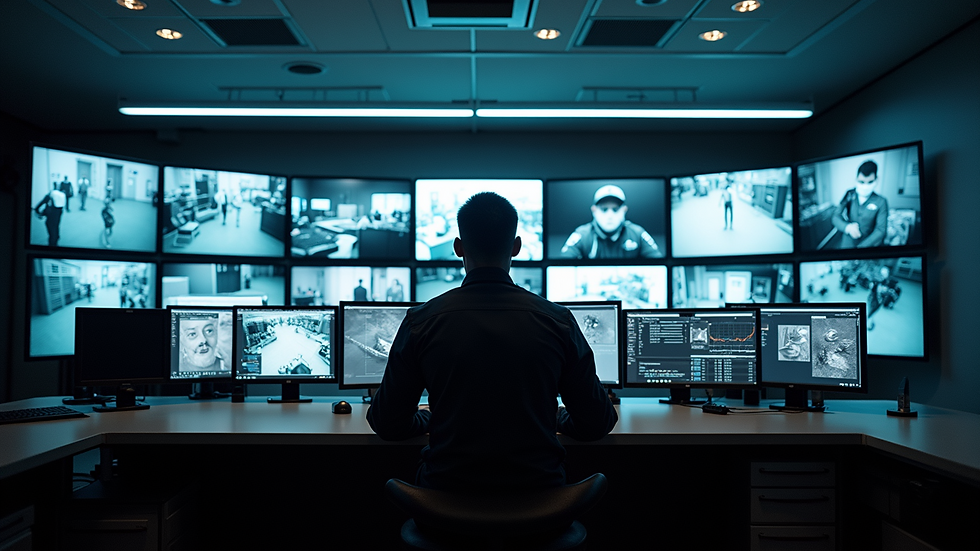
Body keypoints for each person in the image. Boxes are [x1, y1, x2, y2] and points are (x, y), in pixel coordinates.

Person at [367, 192, 618, 493]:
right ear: (516, 247)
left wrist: (429, 419)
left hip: (445, 502)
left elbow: (387, 424)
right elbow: (597, 423)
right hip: (541, 502)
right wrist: (554, 416)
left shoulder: (422, 321)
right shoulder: (557, 320)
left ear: (458, 247)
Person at [560, 184, 661, 259]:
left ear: (624, 210)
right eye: (604, 209)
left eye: (615, 209)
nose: (610, 215)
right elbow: (562, 267)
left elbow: (659, 265)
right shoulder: (581, 235)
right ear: (594, 211)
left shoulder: (637, 233)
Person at [832, 160, 889, 248]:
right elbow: (835, 216)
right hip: (848, 241)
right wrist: (847, 227)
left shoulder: (881, 201)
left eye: (870, 182)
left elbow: (881, 230)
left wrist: (863, 246)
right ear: (856, 179)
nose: (865, 186)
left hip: (869, 242)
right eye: (861, 182)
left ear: (876, 180)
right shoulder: (849, 194)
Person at [34, 182, 66, 247]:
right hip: (58, 214)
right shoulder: (62, 195)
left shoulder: (52, 194)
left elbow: (42, 202)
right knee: (56, 228)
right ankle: (55, 243)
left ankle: (52, 245)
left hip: (51, 215)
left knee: (51, 230)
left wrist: (38, 211)